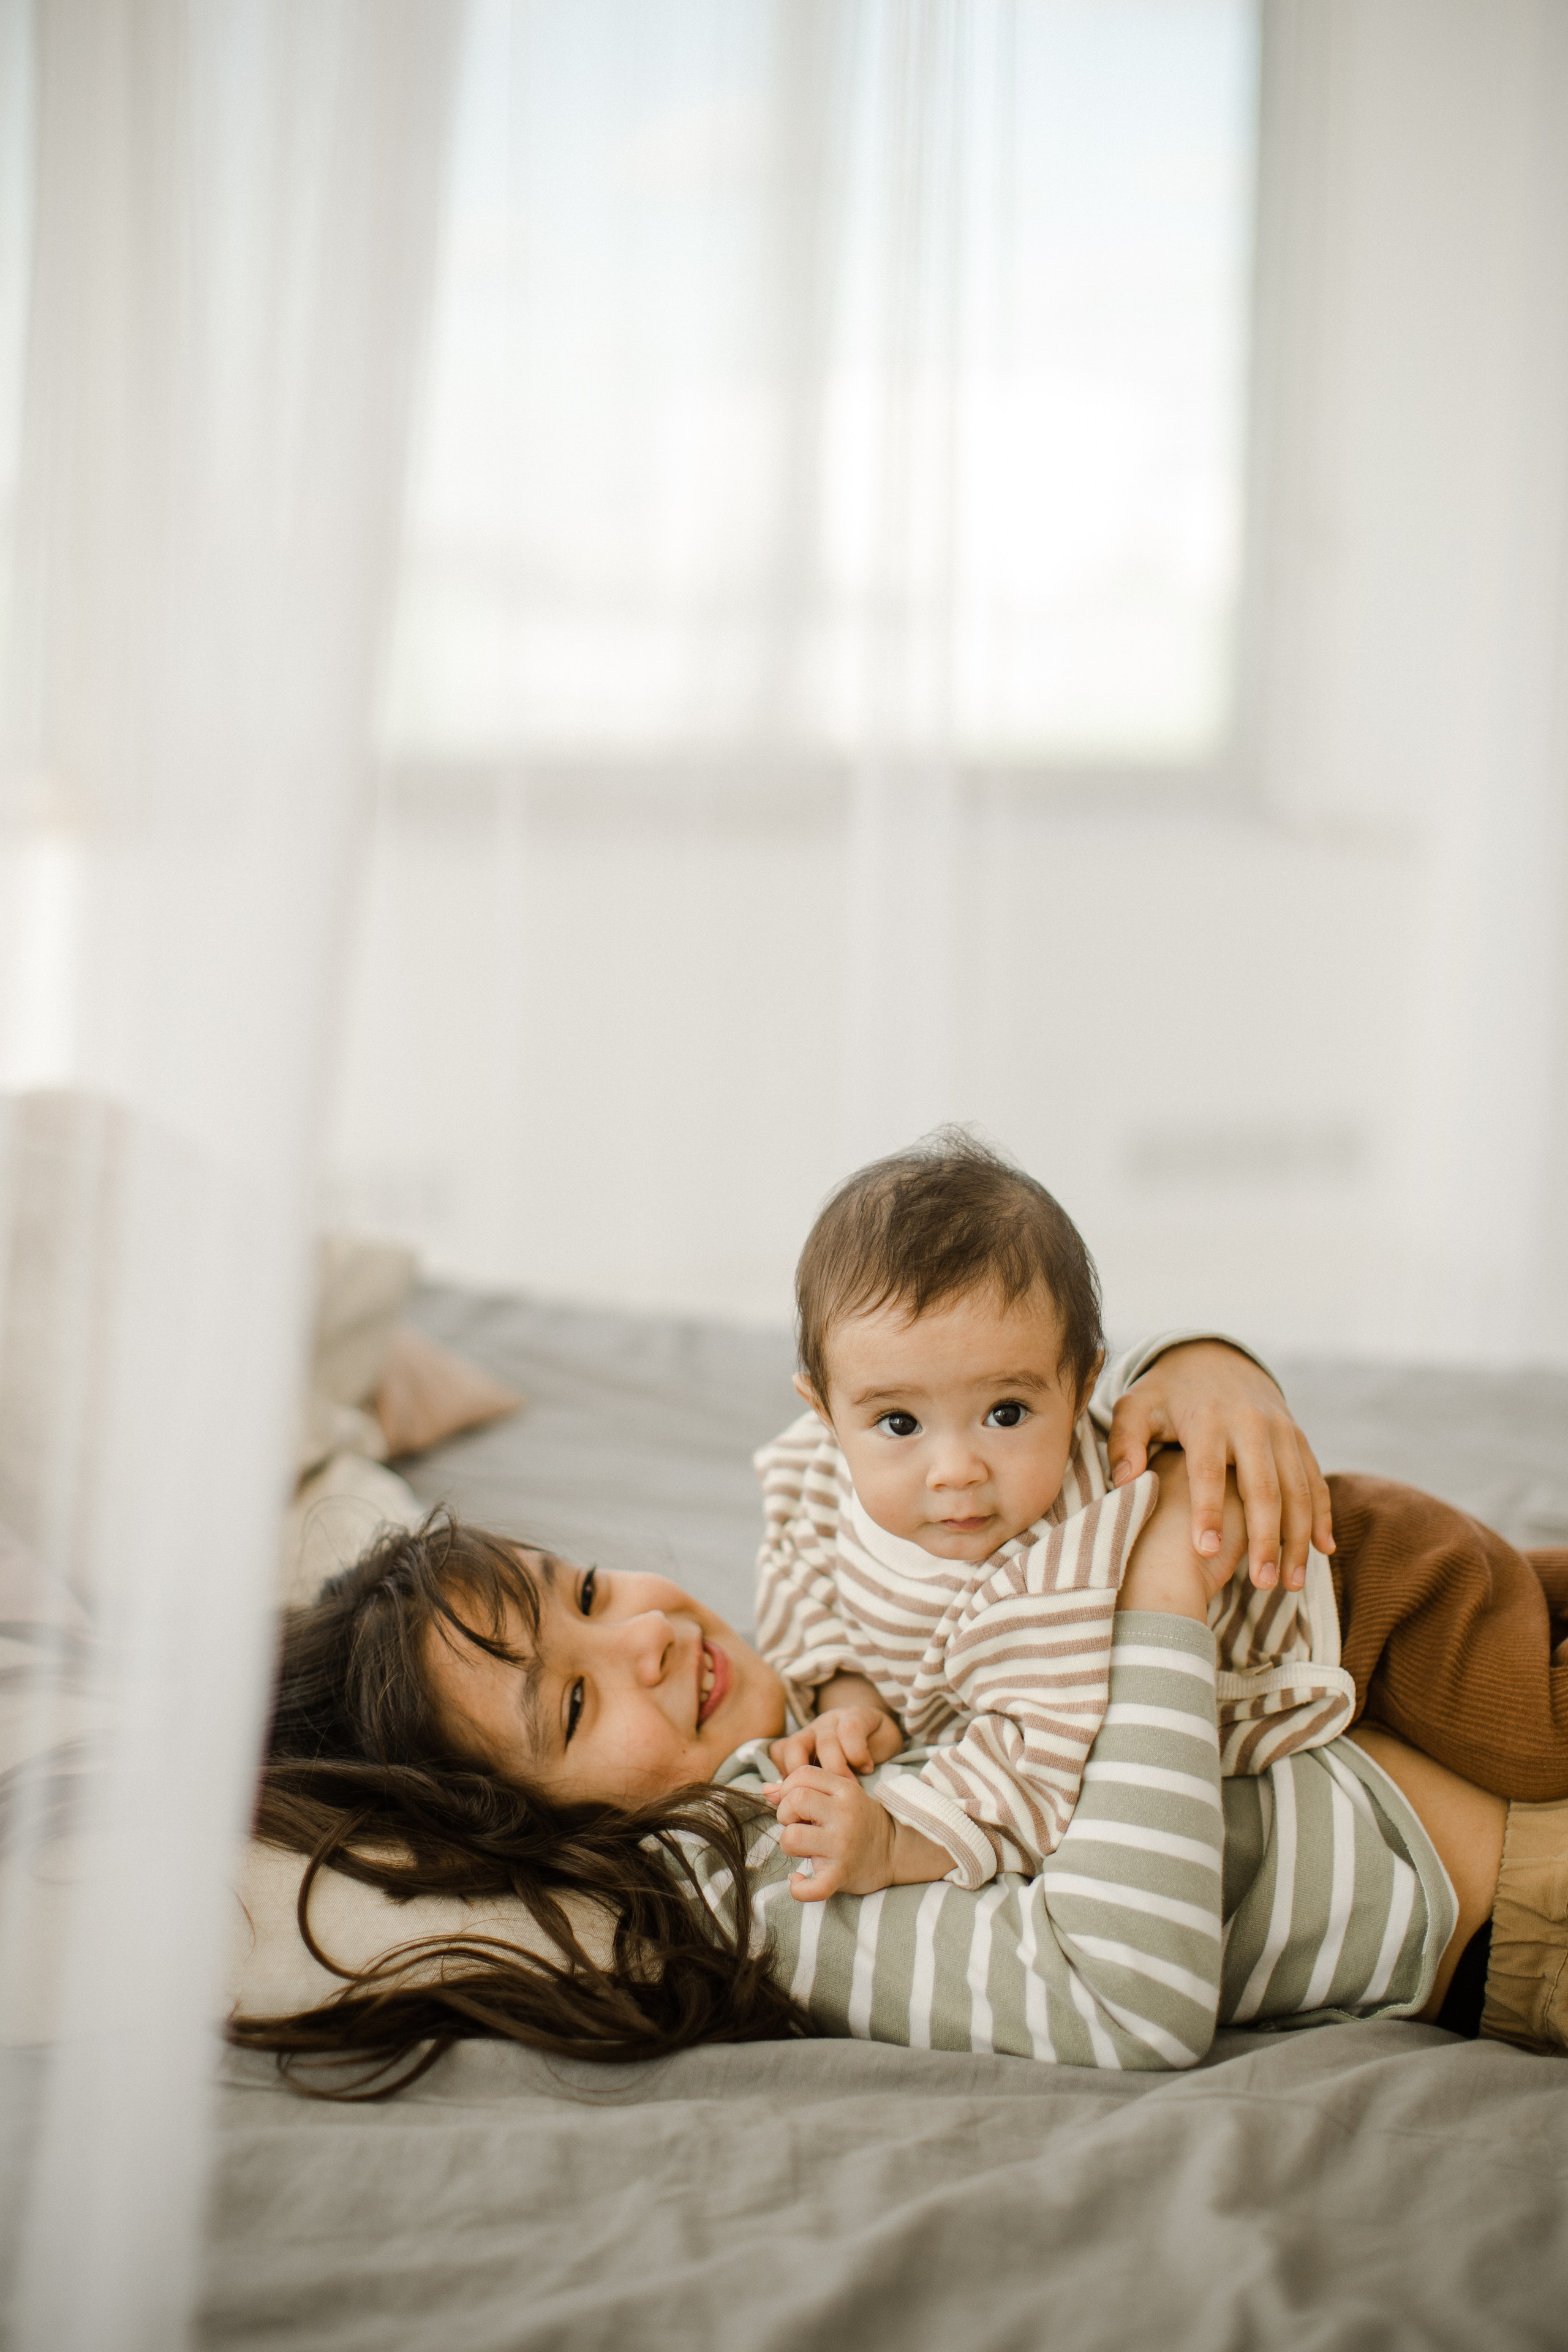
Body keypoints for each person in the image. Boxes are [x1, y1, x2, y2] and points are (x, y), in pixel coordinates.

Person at [237, 1438, 1563, 2095]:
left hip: (1449, 1715)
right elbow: (1124, 1999)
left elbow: (846, 1441)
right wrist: (1154, 1602)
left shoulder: (795, 1727)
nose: (643, 1630)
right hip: (1511, 1889)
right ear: (522, 1831)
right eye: (575, 1701)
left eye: (584, 1586)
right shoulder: (764, 1876)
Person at [753, 1133, 1357, 1898]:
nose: (956, 1471)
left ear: (1080, 1385)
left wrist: (898, 1841)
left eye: (1006, 1412)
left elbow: (1040, 1757)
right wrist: (848, 1696)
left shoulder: (1057, 1565)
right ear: (825, 1412)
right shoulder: (820, 1468)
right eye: (900, 1424)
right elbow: (799, 1563)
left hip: (1361, 1595)